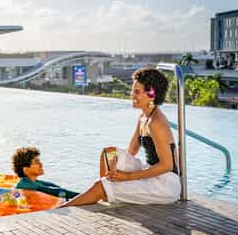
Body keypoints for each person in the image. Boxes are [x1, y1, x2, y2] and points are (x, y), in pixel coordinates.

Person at [63, 67, 181, 207]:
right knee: (109, 153)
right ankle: (108, 192)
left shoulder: (156, 123)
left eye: (137, 92)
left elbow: (167, 165)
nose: (132, 95)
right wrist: (115, 164)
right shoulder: (143, 117)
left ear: (151, 94)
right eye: (132, 90)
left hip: (165, 185)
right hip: (152, 172)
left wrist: (127, 177)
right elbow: (131, 151)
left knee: (100, 185)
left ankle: (63, 209)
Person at [12, 147, 79, 201]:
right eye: (36, 162)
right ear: (26, 170)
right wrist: (78, 196)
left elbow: (53, 187)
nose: (41, 164)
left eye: (39, 161)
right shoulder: (25, 183)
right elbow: (52, 190)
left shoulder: (33, 182)